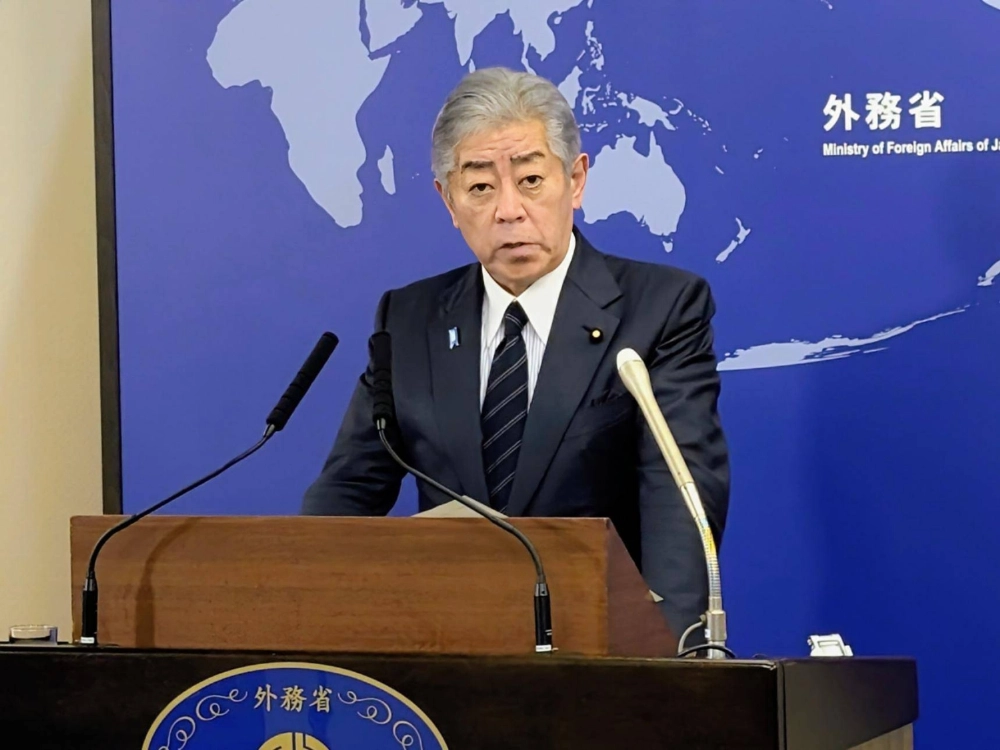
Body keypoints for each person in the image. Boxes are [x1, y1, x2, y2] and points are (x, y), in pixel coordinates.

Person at [302, 67, 729, 636]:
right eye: (480, 187)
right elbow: (349, 491)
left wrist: (665, 658)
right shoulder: (409, 320)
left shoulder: (661, 309)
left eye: (530, 180)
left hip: (603, 644)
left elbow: (679, 501)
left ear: (575, 180)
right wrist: (301, 602)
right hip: (445, 641)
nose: (508, 209)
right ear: (448, 200)